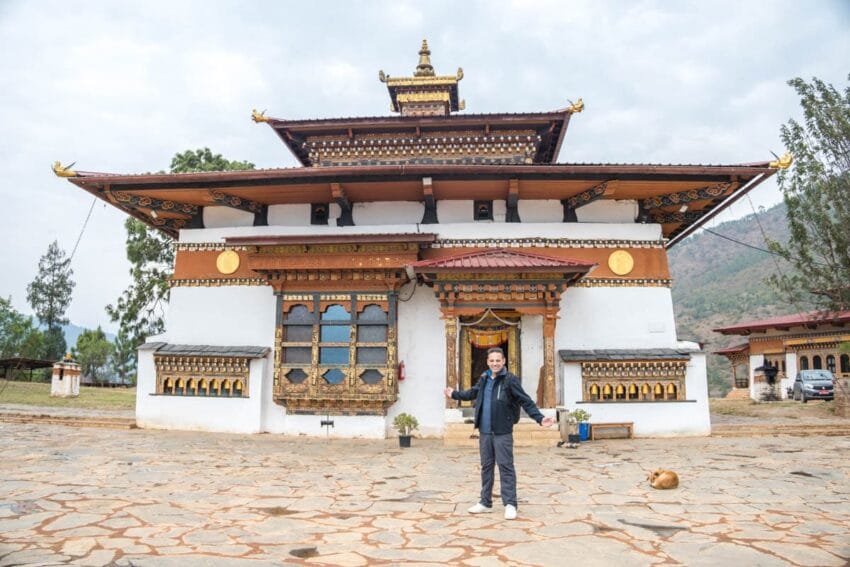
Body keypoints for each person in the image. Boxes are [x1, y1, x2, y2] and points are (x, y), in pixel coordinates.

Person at [444, 346, 555, 520]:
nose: (495, 363)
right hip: (485, 432)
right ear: (488, 362)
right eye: (492, 361)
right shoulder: (484, 378)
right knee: (486, 467)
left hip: (502, 431)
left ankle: (510, 503)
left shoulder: (510, 380)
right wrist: (455, 394)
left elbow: (525, 401)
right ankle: (485, 502)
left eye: (498, 360)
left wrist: (540, 418)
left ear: (503, 361)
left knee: (506, 467)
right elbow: (472, 393)